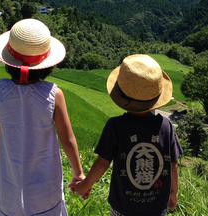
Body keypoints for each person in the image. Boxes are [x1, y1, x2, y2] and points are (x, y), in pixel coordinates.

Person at [0, 18, 84, 215]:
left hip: (8, 181)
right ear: (47, 65)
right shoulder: (53, 94)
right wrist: (78, 173)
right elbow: (67, 139)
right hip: (44, 187)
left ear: (9, 62)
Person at [69, 54, 183, 216]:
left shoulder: (115, 126)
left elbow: (102, 163)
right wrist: (174, 192)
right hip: (156, 209)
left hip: (123, 208)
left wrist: (83, 187)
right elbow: (173, 163)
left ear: (121, 95)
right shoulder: (166, 126)